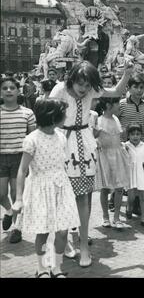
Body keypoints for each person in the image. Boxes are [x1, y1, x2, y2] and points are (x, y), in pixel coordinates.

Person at [49, 60, 133, 267]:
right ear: (72, 78)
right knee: (62, 196)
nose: (84, 89)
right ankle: (65, 240)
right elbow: (45, 112)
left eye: (88, 85)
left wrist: (127, 73)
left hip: (85, 146)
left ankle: (84, 245)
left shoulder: (92, 91)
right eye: (80, 83)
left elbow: (115, 91)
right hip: (62, 144)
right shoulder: (60, 89)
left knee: (84, 198)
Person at [12, 99, 80, 278]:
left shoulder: (61, 136)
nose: (66, 116)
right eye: (63, 113)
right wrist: (19, 198)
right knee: (42, 232)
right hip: (40, 190)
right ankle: (42, 268)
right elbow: (22, 169)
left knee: (63, 231)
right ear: (52, 117)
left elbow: (62, 164)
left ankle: (56, 267)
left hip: (61, 188)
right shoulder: (32, 139)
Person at [0, 77, 36, 244]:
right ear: (1, 92)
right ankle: (8, 211)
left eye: (12, 87)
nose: (8, 90)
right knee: (1, 195)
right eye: (5, 88)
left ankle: (17, 227)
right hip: (1, 157)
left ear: (18, 91)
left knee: (16, 194)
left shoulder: (27, 113)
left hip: (19, 158)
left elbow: (33, 136)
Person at [94, 97, 130, 230]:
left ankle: (116, 218)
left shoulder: (116, 119)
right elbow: (94, 136)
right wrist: (97, 142)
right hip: (104, 155)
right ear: (109, 105)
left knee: (119, 187)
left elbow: (118, 137)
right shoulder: (99, 121)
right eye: (117, 104)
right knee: (105, 187)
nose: (119, 106)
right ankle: (105, 217)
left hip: (117, 155)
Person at [117, 75, 144, 217]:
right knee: (123, 175)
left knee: (138, 175)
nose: (138, 90)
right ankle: (115, 199)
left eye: (141, 87)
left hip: (139, 145)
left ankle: (136, 206)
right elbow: (116, 121)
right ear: (128, 88)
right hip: (124, 145)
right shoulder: (122, 103)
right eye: (135, 87)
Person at [124, 124, 144, 228]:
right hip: (131, 173)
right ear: (128, 135)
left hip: (142, 173)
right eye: (132, 134)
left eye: (138, 134)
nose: (135, 137)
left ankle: (143, 218)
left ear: (141, 135)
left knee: (143, 196)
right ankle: (129, 207)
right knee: (131, 196)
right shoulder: (126, 145)